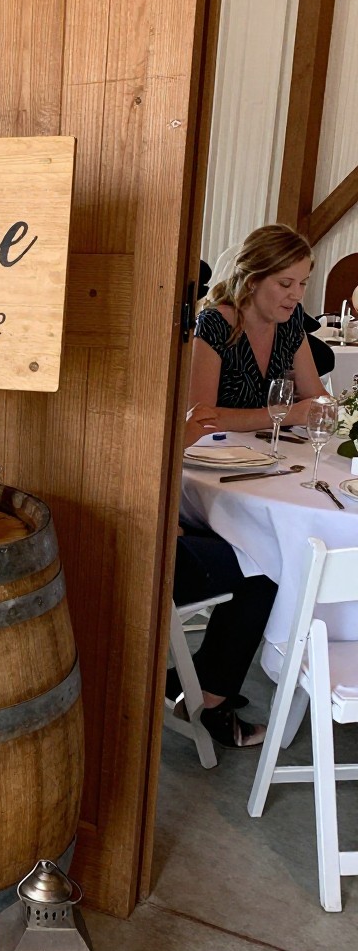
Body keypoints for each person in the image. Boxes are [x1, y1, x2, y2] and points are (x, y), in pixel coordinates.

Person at [170, 405, 277, 748]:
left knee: (241, 544)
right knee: (266, 565)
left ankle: (198, 675)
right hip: (149, 561)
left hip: (136, 547)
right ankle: (212, 703)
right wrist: (181, 436)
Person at [190, 224, 325, 428]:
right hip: (218, 453)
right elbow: (200, 418)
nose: (297, 295)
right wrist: (285, 415)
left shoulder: (291, 320)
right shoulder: (213, 324)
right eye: (285, 284)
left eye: (303, 283)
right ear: (252, 281)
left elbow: (317, 399)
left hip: (272, 451)